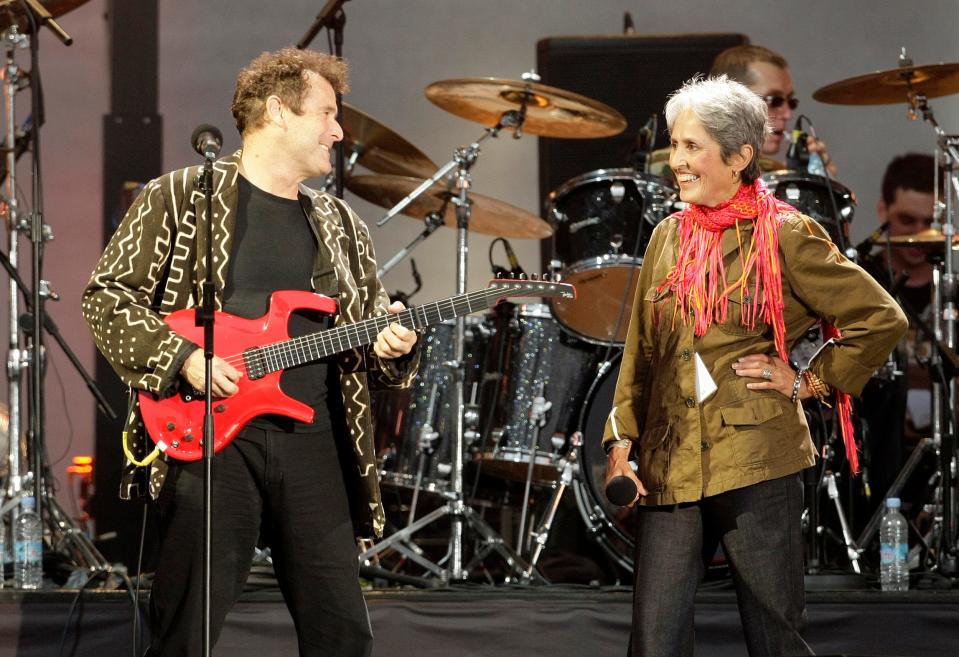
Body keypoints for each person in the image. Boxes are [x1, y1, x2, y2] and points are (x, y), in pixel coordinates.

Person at [82, 48, 419, 657]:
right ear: (277, 112)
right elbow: (106, 298)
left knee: (341, 629)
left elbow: (369, 345)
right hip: (211, 437)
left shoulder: (342, 225)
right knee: (186, 630)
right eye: (327, 113)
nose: (339, 131)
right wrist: (184, 358)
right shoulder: (180, 196)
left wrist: (392, 344)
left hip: (314, 437)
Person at [603, 76, 907, 656]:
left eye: (693, 147)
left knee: (775, 638)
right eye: (675, 144)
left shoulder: (784, 234)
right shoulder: (665, 237)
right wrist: (621, 442)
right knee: (654, 642)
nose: (678, 161)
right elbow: (639, 354)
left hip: (756, 457)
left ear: (741, 156)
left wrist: (809, 379)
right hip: (672, 459)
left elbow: (880, 317)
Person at [858, 153, 938, 506]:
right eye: (907, 220)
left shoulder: (950, 286)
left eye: (930, 222)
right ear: (882, 211)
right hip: (873, 456)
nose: (920, 234)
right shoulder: (860, 279)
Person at [648, 45, 838, 178]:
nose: (788, 114)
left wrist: (821, 187)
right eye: (774, 100)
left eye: (791, 102)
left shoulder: (778, 177)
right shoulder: (662, 168)